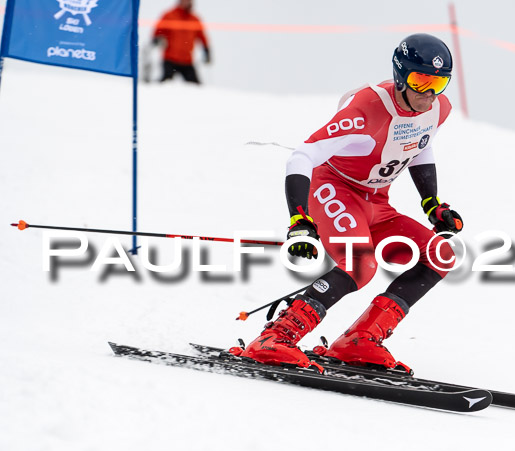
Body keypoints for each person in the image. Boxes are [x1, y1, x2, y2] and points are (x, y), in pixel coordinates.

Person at [235, 34, 463, 373]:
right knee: (360, 265)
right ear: (401, 75)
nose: (428, 93)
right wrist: (299, 220)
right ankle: (275, 339)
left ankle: (360, 340)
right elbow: (303, 156)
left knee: (440, 255)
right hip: (335, 190)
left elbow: (420, 144)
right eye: (420, 81)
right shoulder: (367, 109)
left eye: (439, 83)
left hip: (377, 202)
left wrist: (432, 204)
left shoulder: (437, 108)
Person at [152, 0, 210, 84]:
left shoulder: (194, 19)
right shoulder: (169, 16)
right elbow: (158, 32)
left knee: (196, 87)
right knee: (164, 84)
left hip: (187, 60)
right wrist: (156, 39)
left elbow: (202, 36)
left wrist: (206, 49)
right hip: (170, 59)